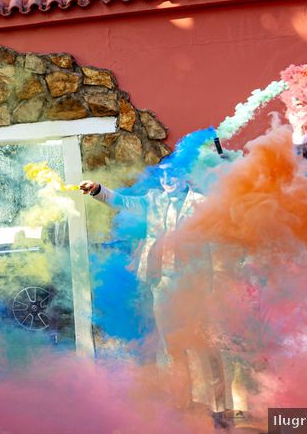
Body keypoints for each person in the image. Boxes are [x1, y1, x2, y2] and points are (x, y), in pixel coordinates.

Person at [80, 165, 229, 427]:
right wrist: (98, 190)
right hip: (161, 284)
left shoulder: (202, 203)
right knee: (173, 348)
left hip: (194, 285)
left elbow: (220, 241)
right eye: (162, 176)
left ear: (185, 177)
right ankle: (184, 404)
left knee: (206, 348)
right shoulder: (154, 199)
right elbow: (124, 201)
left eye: (172, 174)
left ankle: (219, 410)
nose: (167, 180)